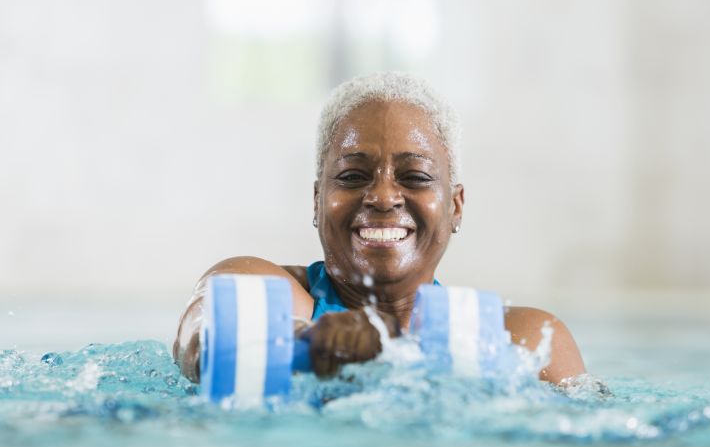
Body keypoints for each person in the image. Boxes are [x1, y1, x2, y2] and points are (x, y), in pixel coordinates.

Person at [173, 72, 585, 384]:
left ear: (455, 207)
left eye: (416, 177)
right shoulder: (265, 286)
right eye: (353, 176)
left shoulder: (523, 340)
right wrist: (307, 345)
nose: (383, 197)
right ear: (317, 201)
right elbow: (201, 339)